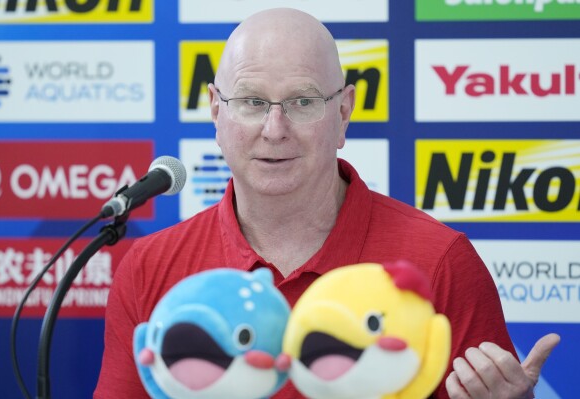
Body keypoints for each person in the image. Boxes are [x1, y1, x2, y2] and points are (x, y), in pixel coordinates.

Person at [94, 8, 559, 399]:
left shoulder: (439, 261)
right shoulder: (150, 269)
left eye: (302, 102)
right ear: (217, 112)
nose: (275, 129)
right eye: (253, 102)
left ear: (343, 113)